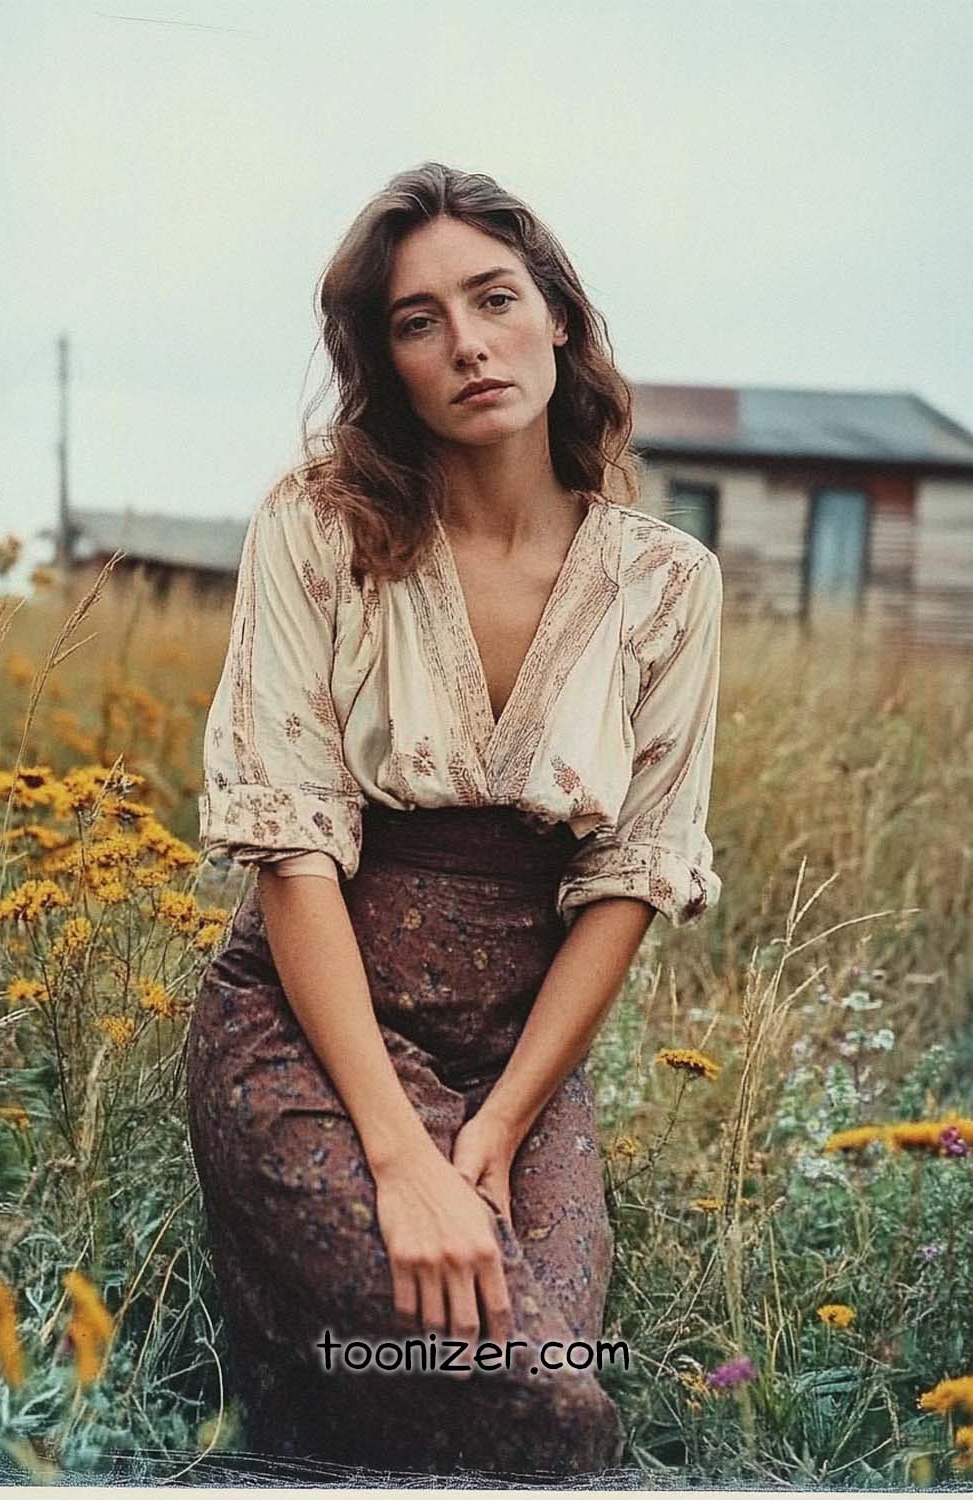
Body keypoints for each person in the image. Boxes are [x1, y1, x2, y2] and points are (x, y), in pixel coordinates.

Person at [186, 161, 723, 1481]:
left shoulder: (665, 585)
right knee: (541, 1406)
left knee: (536, 1375)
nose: (468, 342)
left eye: (494, 296)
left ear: (559, 319)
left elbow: (625, 881)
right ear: (386, 363)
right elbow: (294, 849)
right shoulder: (319, 531)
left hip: (518, 1074)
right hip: (310, 1045)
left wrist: (487, 1135)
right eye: (418, 321)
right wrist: (398, 1154)